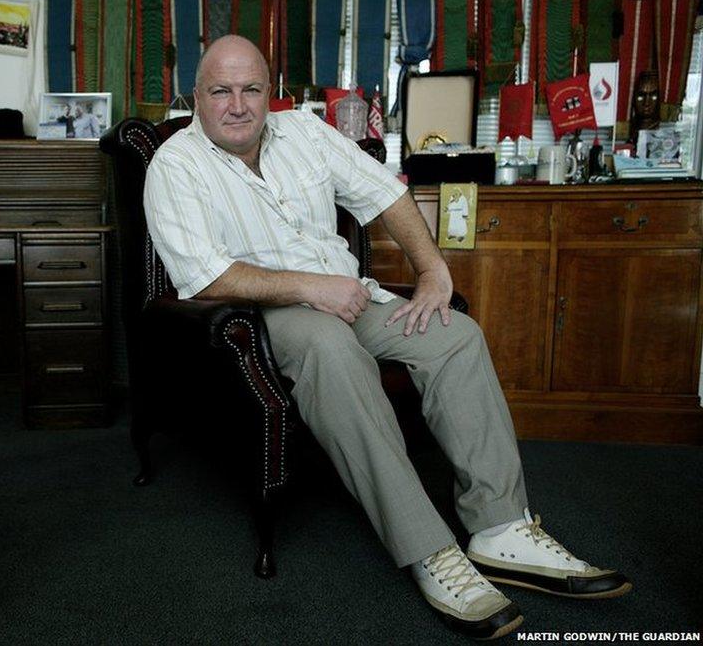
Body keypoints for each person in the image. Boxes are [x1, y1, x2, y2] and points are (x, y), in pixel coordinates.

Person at [143, 35, 631, 640]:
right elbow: (205, 276)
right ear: (197, 97)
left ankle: (501, 529)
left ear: (273, 94)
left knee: (455, 334)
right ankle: (430, 550)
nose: (237, 105)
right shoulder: (175, 165)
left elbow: (386, 195)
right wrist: (311, 288)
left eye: (251, 90)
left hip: (351, 294)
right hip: (261, 311)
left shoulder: (306, 132)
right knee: (331, 349)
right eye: (221, 91)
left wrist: (432, 270)